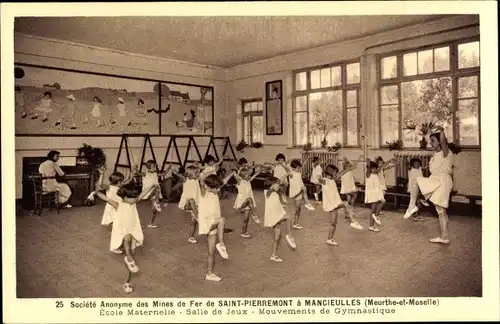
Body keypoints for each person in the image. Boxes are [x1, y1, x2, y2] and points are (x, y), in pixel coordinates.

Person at [89, 178, 157, 293]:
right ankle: (129, 258)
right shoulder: (117, 204)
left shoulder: (134, 202)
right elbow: (105, 198)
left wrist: (152, 186)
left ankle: (127, 282)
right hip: (121, 231)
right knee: (127, 237)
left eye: (135, 197)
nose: (135, 199)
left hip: (133, 230)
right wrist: (95, 192)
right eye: (132, 197)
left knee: (132, 259)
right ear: (124, 197)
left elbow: (143, 193)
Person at [404, 130, 454, 244]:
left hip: (442, 181)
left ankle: (444, 237)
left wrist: (441, 129)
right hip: (435, 179)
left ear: (440, 142)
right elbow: (433, 168)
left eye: (433, 140)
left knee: (440, 210)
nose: (430, 143)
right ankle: (444, 236)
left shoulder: (445, 152)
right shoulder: (435, 154)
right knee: (441, 210)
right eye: (430, 140)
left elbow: (443, 140)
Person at [317, 165, 364, 246]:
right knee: (345, 204)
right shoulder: (325, 180)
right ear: (330, 172)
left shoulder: (332, 180)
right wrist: (319, 176)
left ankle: (329, 239)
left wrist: (349, 169)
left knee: (333, 223)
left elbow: (342, 172)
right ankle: (353, 221)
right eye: (335, 172)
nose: (336, 174)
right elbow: (320, 179)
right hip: (332, 203)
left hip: (333, 204)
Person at [198, 174, 230, 282]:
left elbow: (223, 181)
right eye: (217, 188)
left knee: (211, 252)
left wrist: (232, 173)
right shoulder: (204, 193)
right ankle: (221, 244)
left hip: (214, 224)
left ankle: (209, 273)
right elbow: (202, 183)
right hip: (207, 223)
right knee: (222, 220)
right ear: (210, 187)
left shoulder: (215, 193)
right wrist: (201, 176)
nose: (219, 189)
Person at [264, 176, 297, 263]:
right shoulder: (268, 192)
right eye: (277, 185)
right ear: (272, 185)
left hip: (277, 215)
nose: (279, 186)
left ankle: (273, 255)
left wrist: (282, 205)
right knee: (288, 217)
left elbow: (276, 203)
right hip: (272, 216)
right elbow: (271, 190)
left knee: (277, 237)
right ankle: (289, 235)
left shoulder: (275, 194)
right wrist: (286, 174)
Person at [232, 166, 262, 238]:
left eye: (249, 175)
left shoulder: (248, 181)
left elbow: (254, 176)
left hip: (248, 204)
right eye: (247, 175)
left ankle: (243, 232)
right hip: (242, 202)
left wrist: (259, 171)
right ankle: (254, 215)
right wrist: (236, 172)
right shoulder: (240, 181)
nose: (249, 176)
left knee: (246, 220)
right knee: (249, 199)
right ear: (242, 176)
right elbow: (235, 175)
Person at [178, 165, 203, 244]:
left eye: (198, 173)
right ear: (191, 174)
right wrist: (175, 172)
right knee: (191, 200)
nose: (198, 174)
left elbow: (200, 170)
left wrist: (196, 166)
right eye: (196, 173)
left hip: (195, 205)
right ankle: (199, 218)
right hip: (186, 203)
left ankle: (191, 237)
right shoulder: (186, 180)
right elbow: (180, 176)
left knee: (193, 222)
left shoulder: (197, 180)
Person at [288, 159, 315, 230]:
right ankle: (294, 223)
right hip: (295, 193)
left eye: (299, 168)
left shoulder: (299, 174)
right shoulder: (291, 174)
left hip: (299, 191)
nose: (299, 169)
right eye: (297, 168)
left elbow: (300, 181)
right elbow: (287, 170)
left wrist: (303, 186)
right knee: (296, 209)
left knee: (298, 209)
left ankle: (295, 223)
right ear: (293, 168)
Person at [364, 159, 384, 232]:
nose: (374, 169)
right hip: (371, 193)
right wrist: (368, 163)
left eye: (375, 168)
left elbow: (382, 167)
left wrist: (390, 161)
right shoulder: (368, 175)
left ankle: (374, 219)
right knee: (373, 209)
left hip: (376, 192)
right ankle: (372, 225)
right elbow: (368, 169)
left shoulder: (376, 174)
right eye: (372, 168)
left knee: (382, 203)